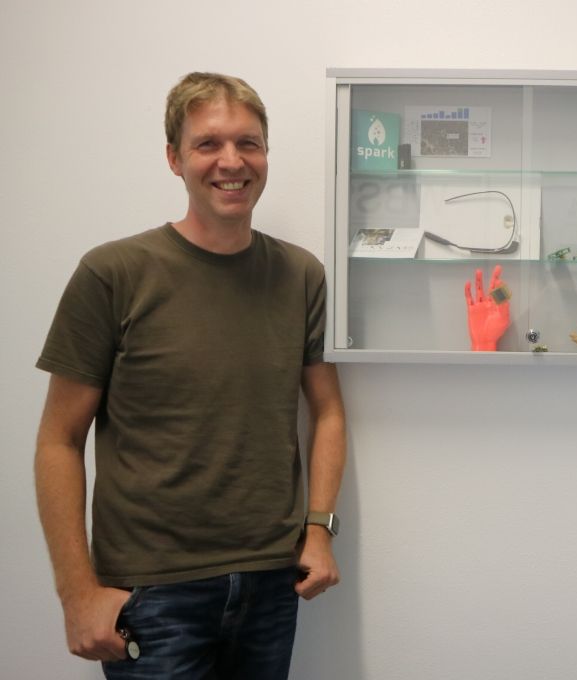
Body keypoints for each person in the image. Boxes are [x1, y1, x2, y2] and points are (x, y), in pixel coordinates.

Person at [34, 72, 346, 679]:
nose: (232, 161)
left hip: (271, 580)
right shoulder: (113, 273)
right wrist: (77, 593)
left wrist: (320, 530)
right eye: (208, 144)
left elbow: (328, 410)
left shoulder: (302, 275)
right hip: (151, 591)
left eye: (249, 143)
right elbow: (59, 440)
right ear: (175, 158)